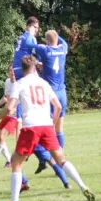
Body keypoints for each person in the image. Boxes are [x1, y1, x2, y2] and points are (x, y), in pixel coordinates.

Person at [0, 55, 95, 201]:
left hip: (31, 127)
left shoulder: (19, 84)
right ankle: (82, 185)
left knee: (16, 162)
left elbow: (9, 108)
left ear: (21, 69)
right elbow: (58, 107)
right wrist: (52, 124)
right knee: (61, 159)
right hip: (46, 126)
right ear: (35, 67)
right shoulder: (44, 83)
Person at [26, 30, 70, 189]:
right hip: (62, 92)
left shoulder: (45, 49)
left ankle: (50, 158)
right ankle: (61, 157)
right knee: (59, 128)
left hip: (50, 92)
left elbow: (29, 45)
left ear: (46, 40)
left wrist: (31, 35)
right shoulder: (63, 48)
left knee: (45, 127)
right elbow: (62, 41)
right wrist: (57, 38)